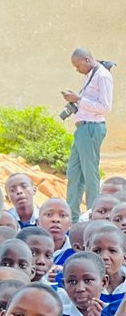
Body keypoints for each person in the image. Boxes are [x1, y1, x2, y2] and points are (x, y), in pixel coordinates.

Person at [65, 48, 114, 215]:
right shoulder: (90, 75)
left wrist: (79, 99)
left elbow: (105, 107)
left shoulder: (103, 76)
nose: (77, 70)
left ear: (87, 60)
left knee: (89, 173)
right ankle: (72, 217)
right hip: (82, 128)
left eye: (78, 65)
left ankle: (94, 214)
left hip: (92, 127)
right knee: (74, 173)